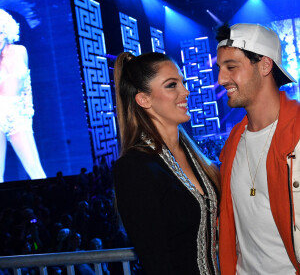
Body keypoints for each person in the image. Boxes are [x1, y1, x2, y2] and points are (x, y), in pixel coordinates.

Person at [113, 51, 220, 275]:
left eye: (182, 82)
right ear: (144, 99)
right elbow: (155, 261)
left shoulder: (195, 156)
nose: (185, 91)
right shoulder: (135, 168)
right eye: (172, 85)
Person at [216, 23, 300, 274]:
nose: (220, 79)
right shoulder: (233, 142)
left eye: (231, 67)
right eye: (220, 69)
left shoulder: (297, 136)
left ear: (265, 65)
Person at [0, 9, 46, 182]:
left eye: (1, 32)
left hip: (18, 116)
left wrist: (27, 115)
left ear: (7, 31)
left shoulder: (20, 51)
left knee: (35, 170)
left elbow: (27, 86)